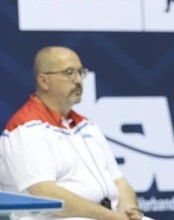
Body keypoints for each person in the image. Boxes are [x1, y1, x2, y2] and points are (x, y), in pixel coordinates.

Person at [0, 46, 149, 220]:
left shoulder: (87, 126)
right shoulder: (25, 129)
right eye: (69, 73)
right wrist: (109, 216)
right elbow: (44, 193)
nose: (78, 80)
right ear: (44, 81)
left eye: (80, 72)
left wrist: (131, 210)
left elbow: (118, 180)